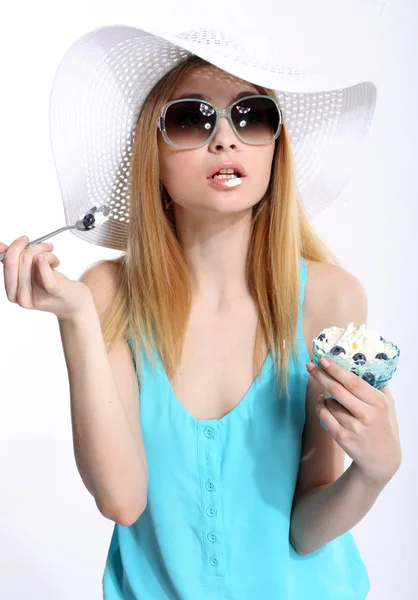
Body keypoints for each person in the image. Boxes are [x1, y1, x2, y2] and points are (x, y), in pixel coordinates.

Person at [0, 23, 401, 600]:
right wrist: (77, 318)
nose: (225, 141)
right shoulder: (106, 295)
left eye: (251, 117)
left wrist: (374, 473)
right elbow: (122, 499)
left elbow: (307, 527)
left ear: (274, 149)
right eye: (191, 120)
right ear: (152, 155)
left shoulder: (331, 299)